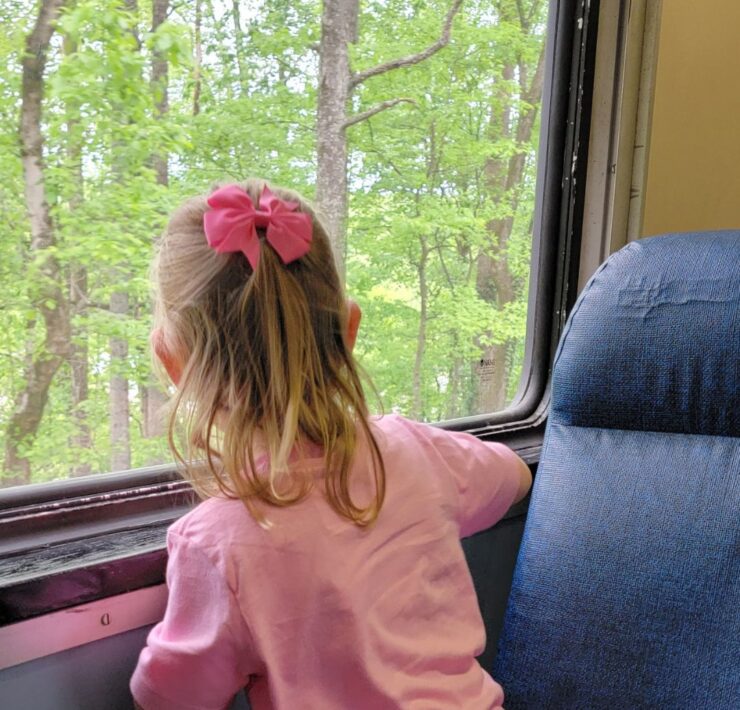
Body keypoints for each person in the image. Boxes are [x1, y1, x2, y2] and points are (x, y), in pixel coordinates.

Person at [130, 179, 532, 710]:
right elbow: (514, 476)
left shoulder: (215, 542)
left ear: (171, 363)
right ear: (349, 330)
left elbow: (168, 697)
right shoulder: (417, 452)